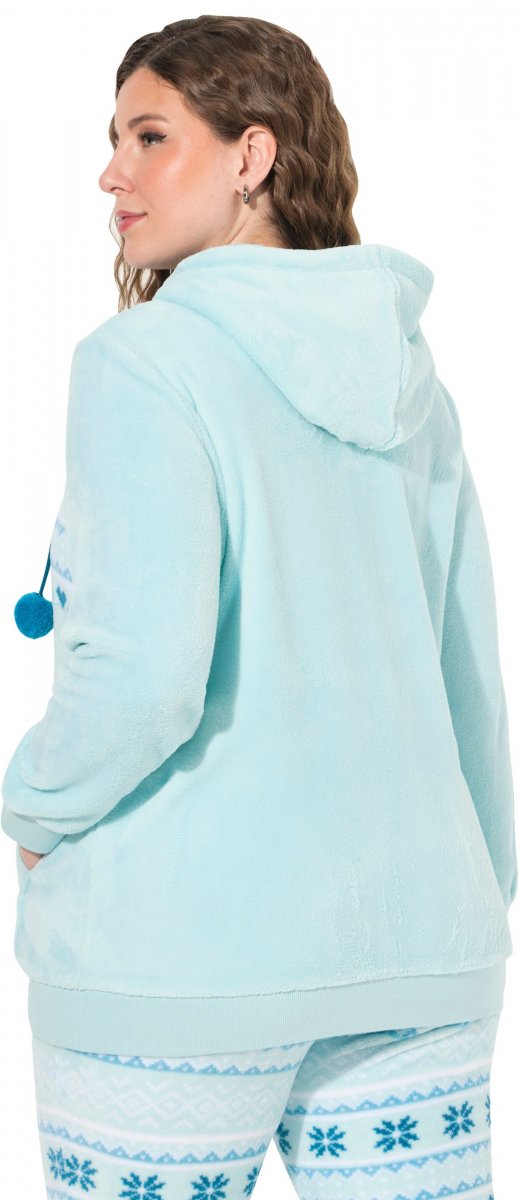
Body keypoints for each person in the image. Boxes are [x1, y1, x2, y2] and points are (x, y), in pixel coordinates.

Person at [1, 15, 515, 1200]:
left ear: (252, 155)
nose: (111, 173)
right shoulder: (410, 377)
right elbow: (472, 679)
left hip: (175, 969)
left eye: (149, 136)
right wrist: (463, 902)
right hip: (416, 957)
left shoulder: (143, 361)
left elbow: (142, 678)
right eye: (113, 140)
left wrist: (33, 806)